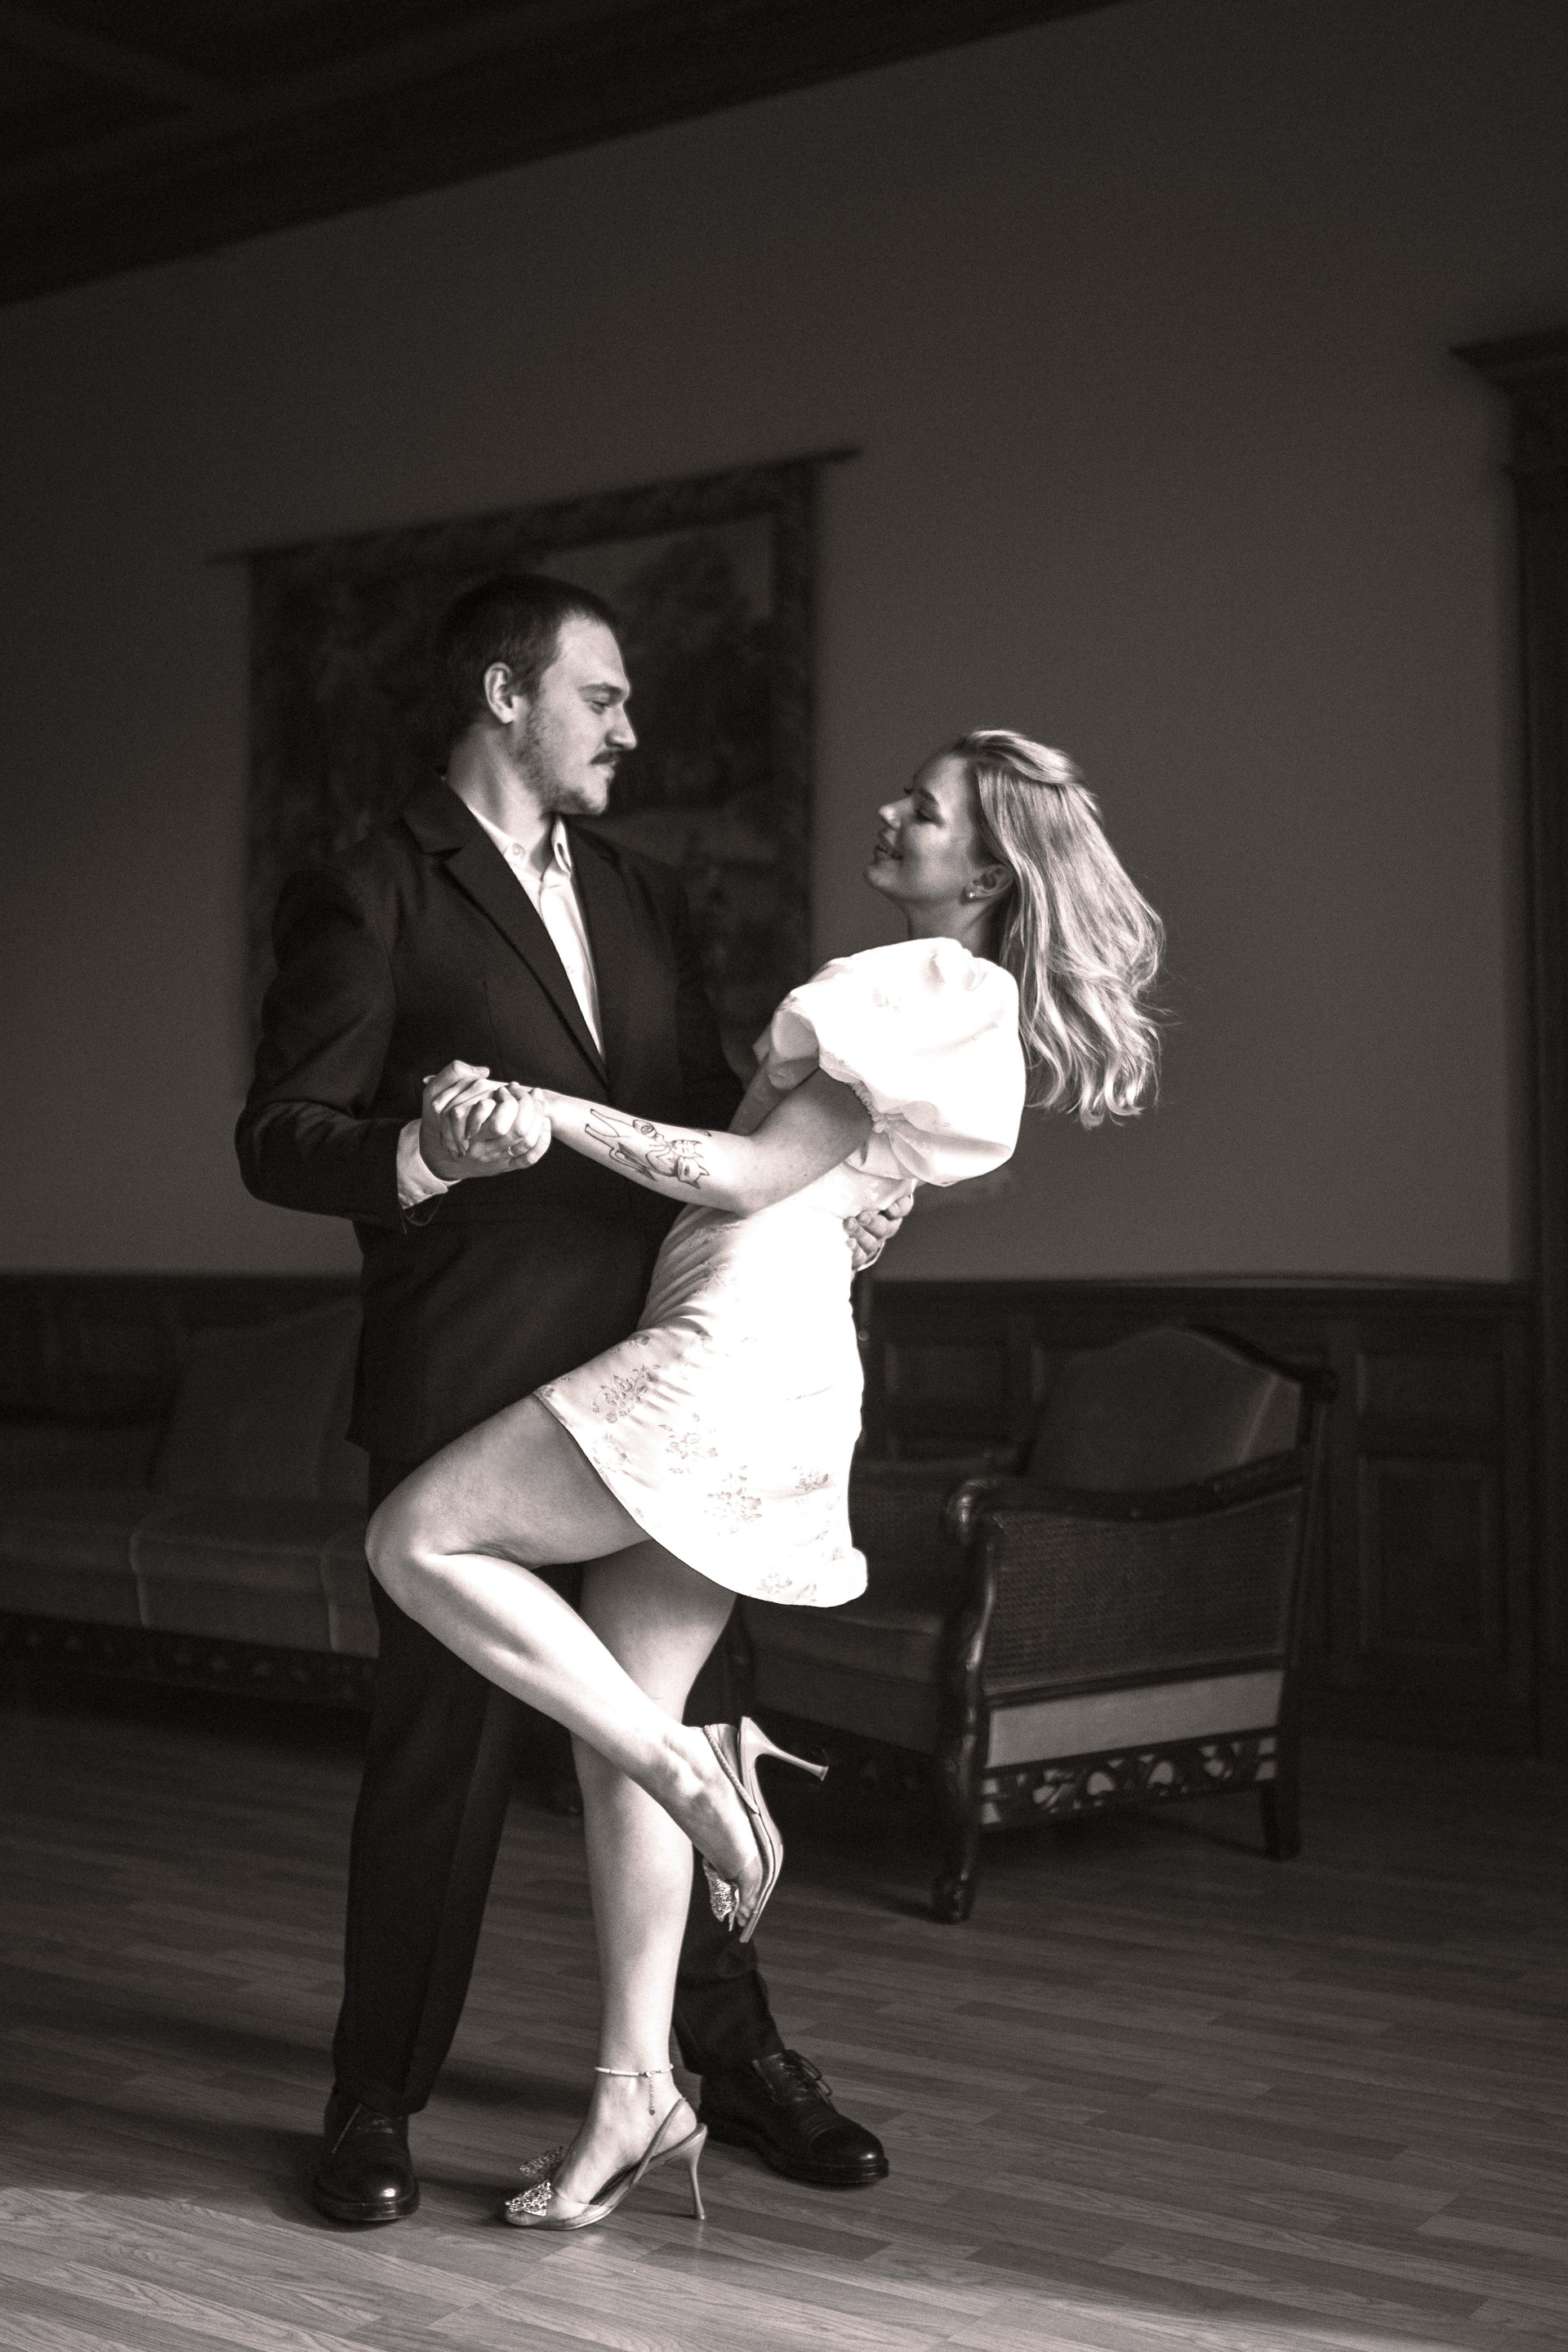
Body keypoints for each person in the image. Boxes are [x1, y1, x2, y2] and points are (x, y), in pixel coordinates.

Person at [367, 725, 1164, 2228]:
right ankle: (636, 2093)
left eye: (926, 810)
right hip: (777, 1352)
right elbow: (826, 1193)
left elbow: (741, 1179)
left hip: (726, 1349)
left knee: (419, 1539)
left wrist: (547, 1111)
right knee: (621, 1731)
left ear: (987, 871)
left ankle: (697, 1775)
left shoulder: (920, 984)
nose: (893, 811)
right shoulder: (960, 1004)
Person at [237, 574, 902, 2226]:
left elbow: (709, 1124)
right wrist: (419, 1150)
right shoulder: (369, 890)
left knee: (686, 1728)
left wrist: (842, 1198)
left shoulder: (649, 892)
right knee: (439, 1763)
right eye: (602, 696)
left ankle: (725, 2063)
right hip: (469, 1376)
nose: (630, 729)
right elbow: (280, 1136)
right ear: (504, 693)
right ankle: (374, 2100)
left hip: (665, 1382)